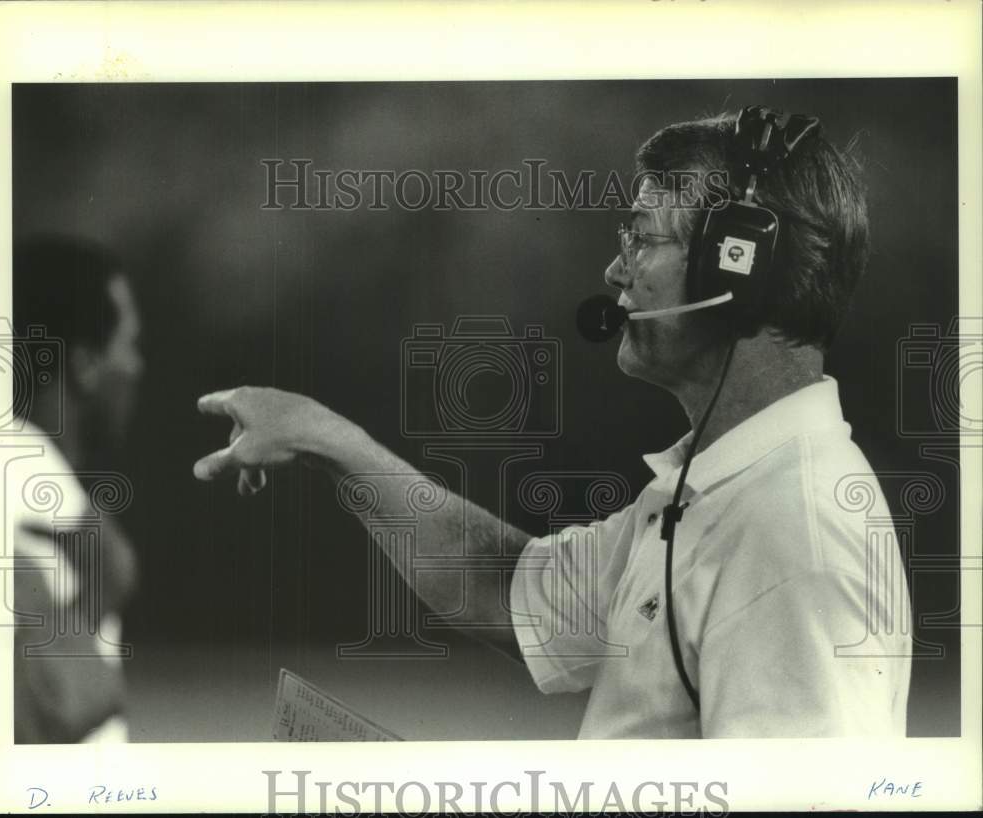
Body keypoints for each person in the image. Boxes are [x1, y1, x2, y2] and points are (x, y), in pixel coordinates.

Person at [192, 108, 911, 738]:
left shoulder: (792, 533)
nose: (615, 269)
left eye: (642, 237)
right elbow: (498, 584)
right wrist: (321, 434)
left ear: (739, 270)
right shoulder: (722, 491)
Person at [10, 234, 143, 743]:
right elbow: (66, 707)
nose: (136, 366)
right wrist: (109, 580)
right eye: (128, 345)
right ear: (85, 365)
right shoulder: (22, 469)